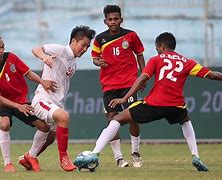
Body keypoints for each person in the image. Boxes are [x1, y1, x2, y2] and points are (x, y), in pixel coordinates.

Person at [77, 32, 222, 172]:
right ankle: (195, 156)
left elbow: (142, 78)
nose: (157, 51)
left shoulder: (156, 59)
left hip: (154, 103)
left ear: (162, 47)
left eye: (157, 48)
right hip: (176, 106)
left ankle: (94, 153)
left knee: (117, 119)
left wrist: (125, 98)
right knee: (185, 120)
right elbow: (213, 75)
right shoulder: (187, 62)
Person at [19, 25, 96, 172]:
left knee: (51, 136)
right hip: (42, 99)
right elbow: (36, 49)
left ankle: (30, 156)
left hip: (56, 102)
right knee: (64, 117)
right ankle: (64, 159)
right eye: (83, 45)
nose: (85, 49)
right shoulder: (60, 50)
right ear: (74, 41)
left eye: (87, 46)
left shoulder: (73, 62)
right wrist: (44, 57)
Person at [91, 5, 145, 168]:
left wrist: (143, 76)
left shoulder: (131, 35)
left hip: (129, 83)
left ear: (121, 19)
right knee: (111, 118)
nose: (113, 22)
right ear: (105, 21)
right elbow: (94, 57)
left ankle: (135, 152)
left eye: (116, 19)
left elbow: (140, 54)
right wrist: (97, 61)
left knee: (133, 116)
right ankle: (119, 158)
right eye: (110, 19)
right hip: (109, 85)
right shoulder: (100, 39)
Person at [0, 37, 57, 173]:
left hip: (21, 101)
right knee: (4, 124)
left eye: (2, 47)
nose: (1, 50)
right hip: (3, 104)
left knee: (45, 127)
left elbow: (27, 73)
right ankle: (8, 163)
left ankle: (30, 156)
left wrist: (42, 82)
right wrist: (17, 106)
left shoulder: (11, 57)